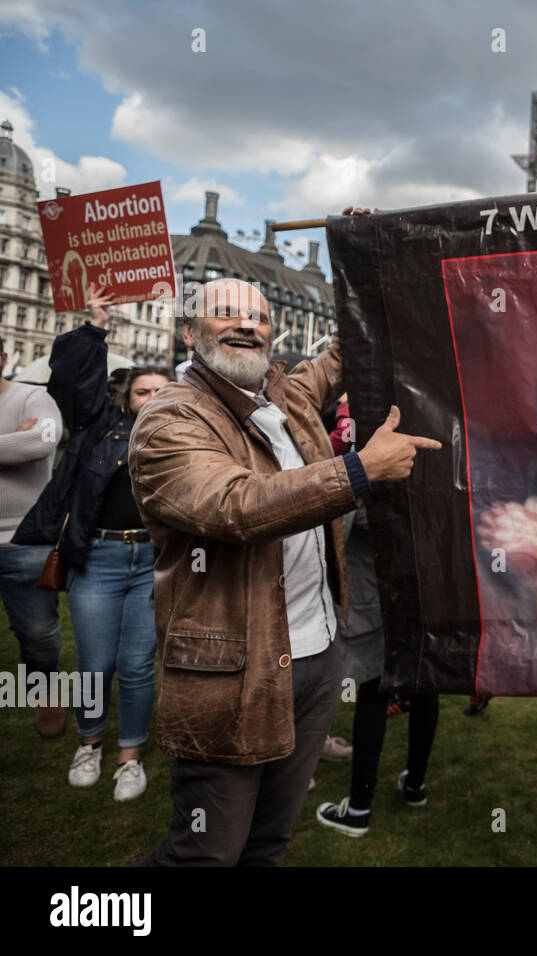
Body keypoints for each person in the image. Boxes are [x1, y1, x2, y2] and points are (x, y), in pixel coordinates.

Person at [131, 274, 441, 865]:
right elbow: (236, 505)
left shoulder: (285, 394)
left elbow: (345, 352)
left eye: (260, 316)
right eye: (225, 313)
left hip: (317, 657)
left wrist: (360, 260)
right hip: (232, 672)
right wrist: (359, 471)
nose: (247, 324)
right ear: (187, 330)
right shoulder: (171, 419)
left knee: (269, 841)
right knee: (206, 851)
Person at [14, 286, 171, 798]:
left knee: (136, 664)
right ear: (126, 397)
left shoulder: (183, 439)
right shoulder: (98, 429)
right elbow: (76, 382)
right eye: (145, 391)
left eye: (162, 391)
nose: (154, 399)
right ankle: (89, 743)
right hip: (99, 560)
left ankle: (129, 755)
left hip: (153, 563)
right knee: (94, 662)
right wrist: (95, 326)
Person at [315, 398, 440, 836]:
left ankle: (361, 809)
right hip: (412, 590)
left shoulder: (369, 422)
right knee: (421, 686)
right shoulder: (428, 413)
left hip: (379, 594)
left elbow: (347, 526)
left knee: (374, 691)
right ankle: (413, 786)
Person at [0, 335, 65, 737]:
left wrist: (26, 440)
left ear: (3, 357)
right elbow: (21, 445)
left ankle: (43, 693)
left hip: (23, 539)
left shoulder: (33, 398)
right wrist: (12, 441)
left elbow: (40, 443)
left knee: (38, 633)